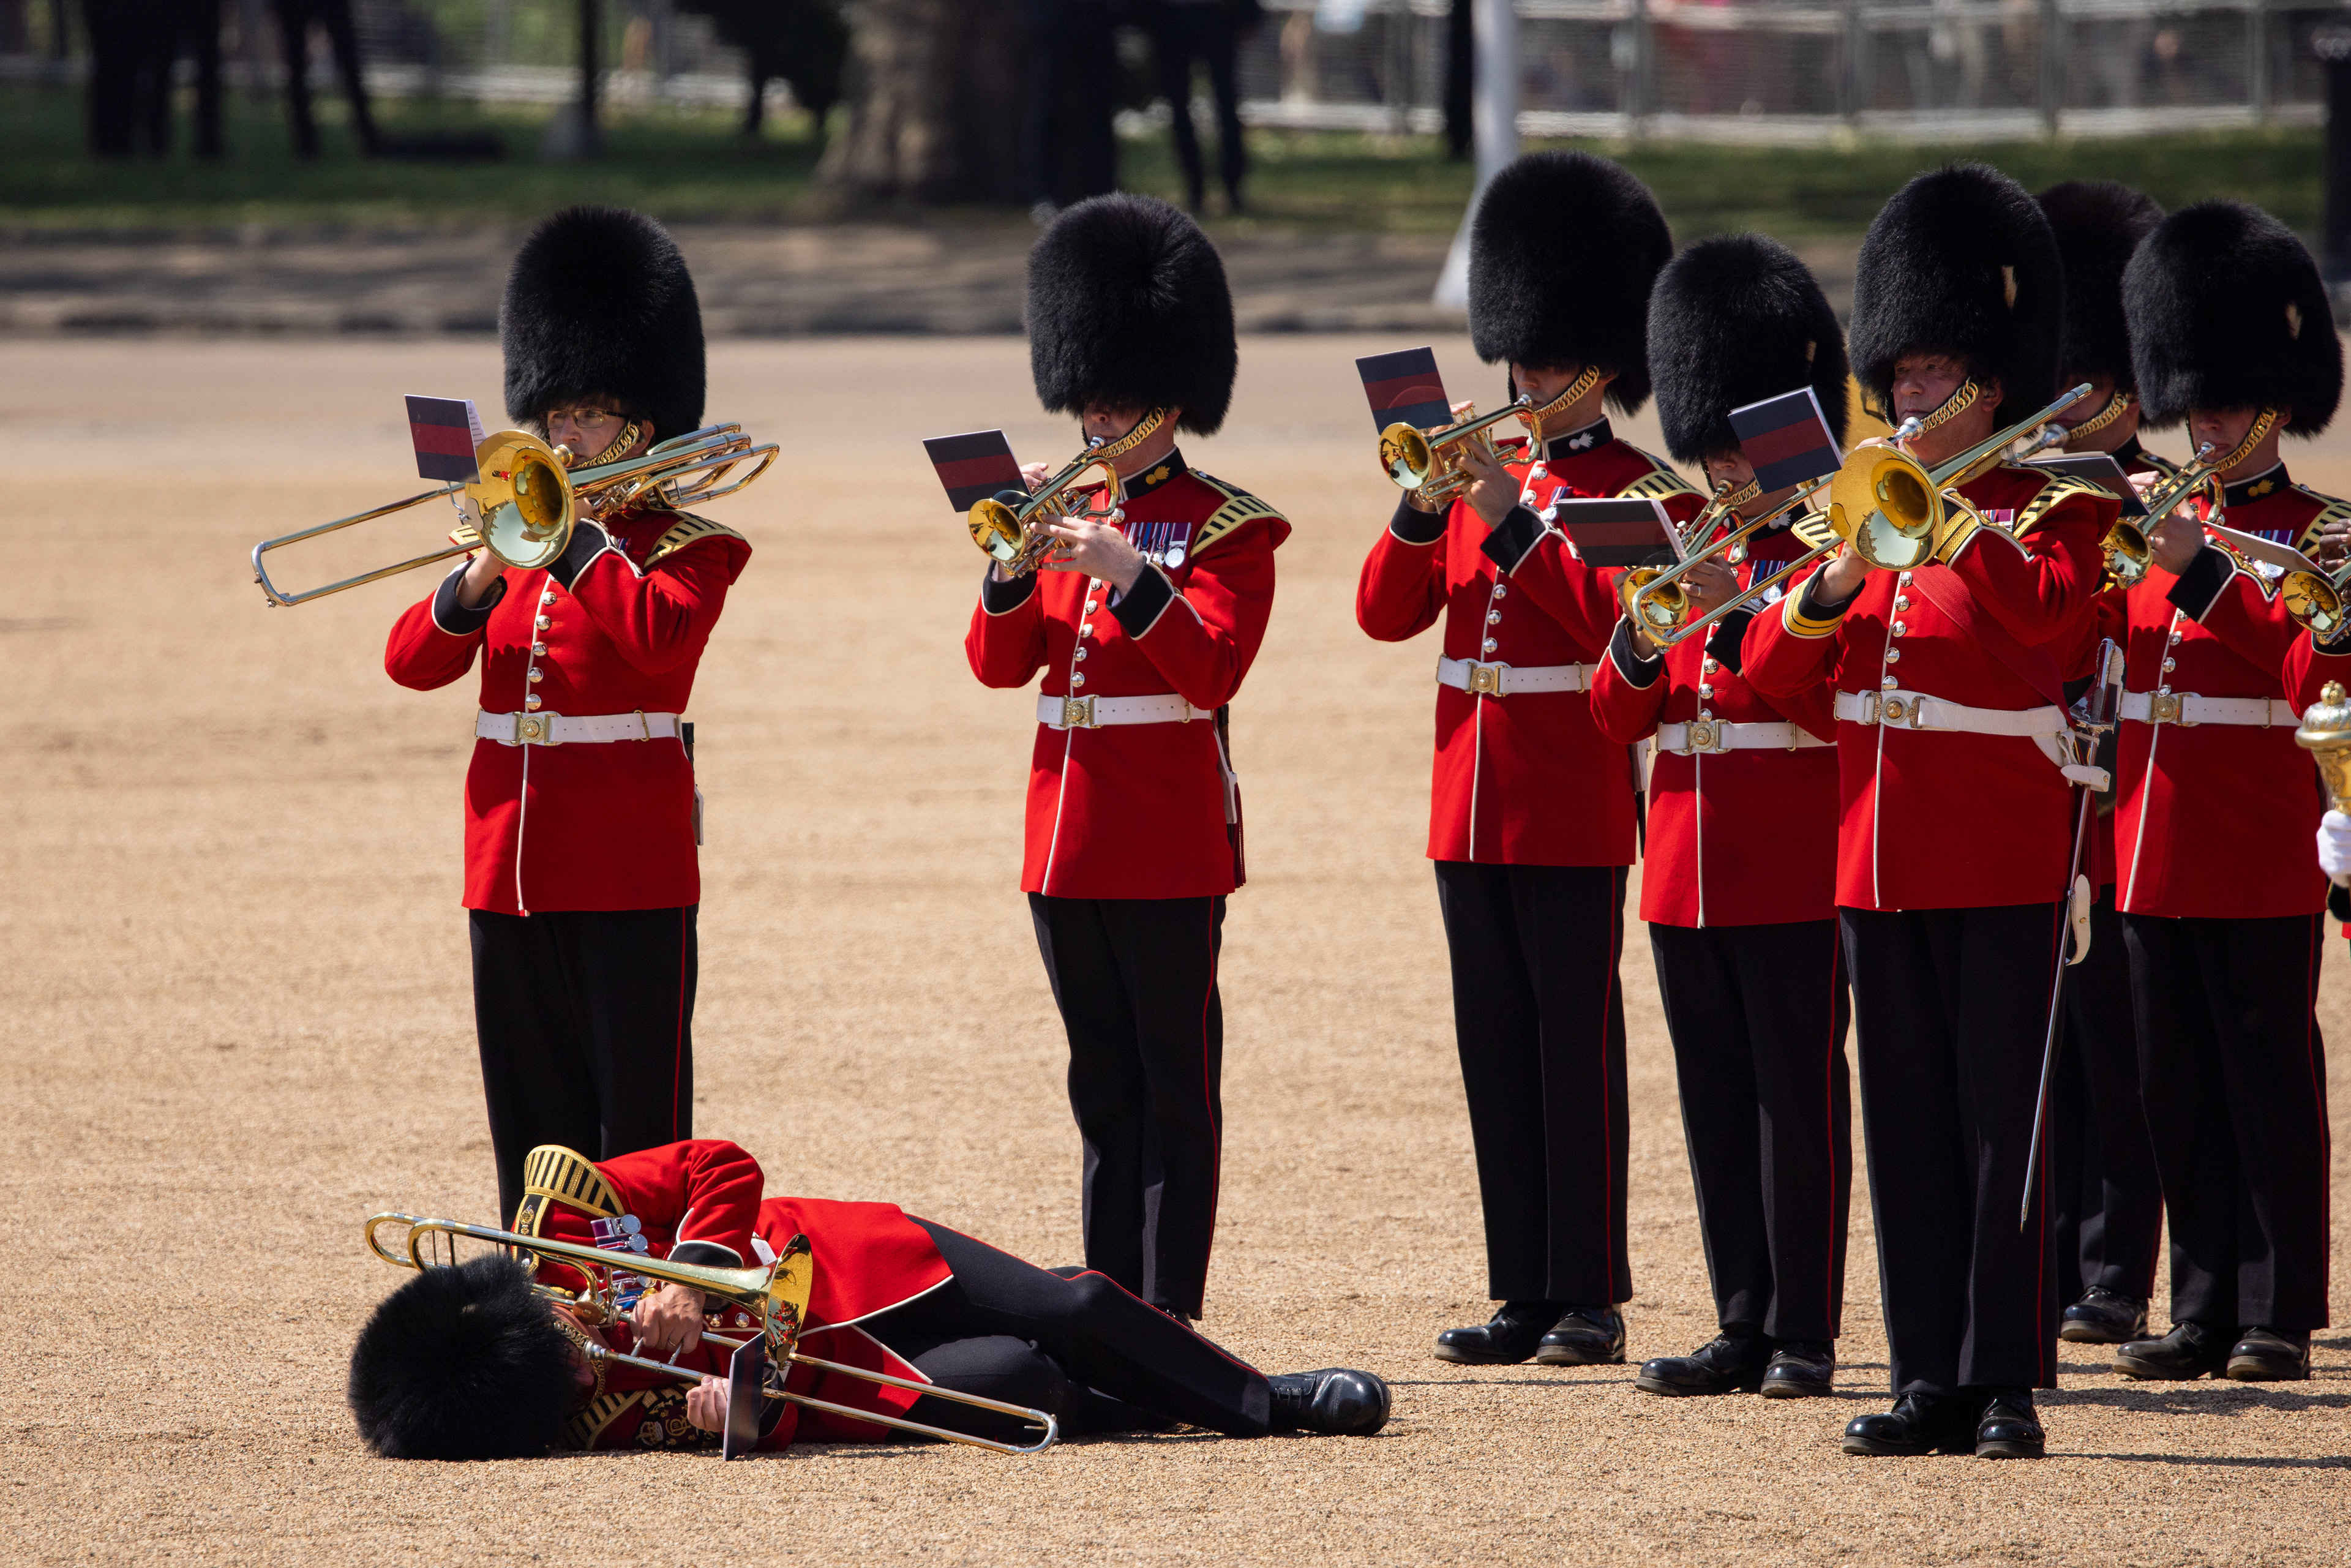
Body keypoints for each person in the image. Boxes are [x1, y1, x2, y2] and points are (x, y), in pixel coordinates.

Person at [1744, 164, 2119, 1460]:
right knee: (1902, 1118)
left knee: (1997, 1126)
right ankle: (1925, 1376)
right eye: (1895, 377)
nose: (1905, 399)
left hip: (2003, 843)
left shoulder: (2063, 503)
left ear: (1987, 385)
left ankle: (2006, 1375)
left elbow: (2057, 637)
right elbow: (1770, 679)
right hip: (1878, 850)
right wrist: (1836, 581)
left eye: (1929, 377)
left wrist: (1953, 528)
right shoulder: (1863, 506)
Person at [1355, 151, 1701, 1370]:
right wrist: (1418, 508)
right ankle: (1520, 1284)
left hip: (1569, 782)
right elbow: (1383, 614)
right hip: (1471, 785)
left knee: (1573, 1035)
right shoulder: (1466, 480)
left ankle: (1590, 1287)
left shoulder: (1640, 494)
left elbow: (1611, 622)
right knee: (1493, 1035)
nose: (1528, 376)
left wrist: (1507, 514)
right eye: (1522, 355)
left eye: (1551, 360)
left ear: (1604, 365)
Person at [384, 208, 751, 1225]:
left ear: (638, 425)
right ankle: (548, 1333)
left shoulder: (687, 545)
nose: (563, 437)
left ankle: (644, 1339)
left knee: (636, 1140)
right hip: (507, 870)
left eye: (587, 417)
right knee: (531, 1134)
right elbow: (411, 664)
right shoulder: (514, 549)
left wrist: (577, 541)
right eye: (555, 416)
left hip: (629, 872)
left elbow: (661, 650)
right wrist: (477, 577)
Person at [965, 195, 1286, 1324]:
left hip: (1165, 835)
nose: (1098, 418)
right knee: (1099, 1079)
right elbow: (1001, 670)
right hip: (1066, 832)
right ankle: (1106, 1298)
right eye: (1088, 396)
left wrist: (1131, 574)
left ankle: (1169, 1307)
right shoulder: (1063, 513)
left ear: (1170, 399)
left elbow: (1212, 669)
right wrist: (1010, 573)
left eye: (1119, 400)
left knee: (1173, 1084)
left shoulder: (1227, 526)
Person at [348, 1139, 1390, 1457]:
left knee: (1070, 1307)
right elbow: (771, 1419)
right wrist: (740, 1415)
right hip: (848, 1373)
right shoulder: (585, 1411)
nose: (584, 1362)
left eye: (560, 1343)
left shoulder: (560, 1214)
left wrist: (701, 1290)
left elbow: (719, 1165)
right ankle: (1156, 1399)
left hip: (856, 1254)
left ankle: (1272, 1400)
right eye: (562, 1380)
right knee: (1027, 1378)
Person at [1590, 234, 1851, 1401]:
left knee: (1797, 1102)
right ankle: (1740, 1317)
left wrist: (1730, 609)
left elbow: (1801, 690)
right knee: (1713, 1106)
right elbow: (1613, 714)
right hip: (1685, 860)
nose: (1722, 474)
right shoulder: (1689, 550)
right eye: (1711, 454)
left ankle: (1807, 1328)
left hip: (1792, 859)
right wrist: (1646, 630)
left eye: (1735, 453)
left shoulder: (1826, 556)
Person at [2103, 200, 2344, 1384]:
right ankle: (2198, 1305)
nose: (2207, 424)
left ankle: (2279, 1307)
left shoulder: (2326, 536)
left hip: (2256, 839)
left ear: (2280, 402)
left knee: (2266, 1074)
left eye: (2229, 402)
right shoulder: (2158, 526)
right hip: (2152, 838)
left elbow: (2319, 672)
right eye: (2193, 402)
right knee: (2174, 1082)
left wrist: (2202, 580)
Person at [2033, 180, 2171, 1350]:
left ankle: (2118, 1265)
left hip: (2133, 788)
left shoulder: (2160, 500)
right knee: (2051, 1034)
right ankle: (2065, 1250)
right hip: (2039, 784)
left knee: (2121, 1038)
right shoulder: (2030, 501)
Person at [1144, 0, 1254, 215]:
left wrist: (1247, 13)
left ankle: (1232, 187)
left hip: (1218, 15)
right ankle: (1195, 188)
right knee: (1181, 108)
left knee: (1226, 105)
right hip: (1172, 18)